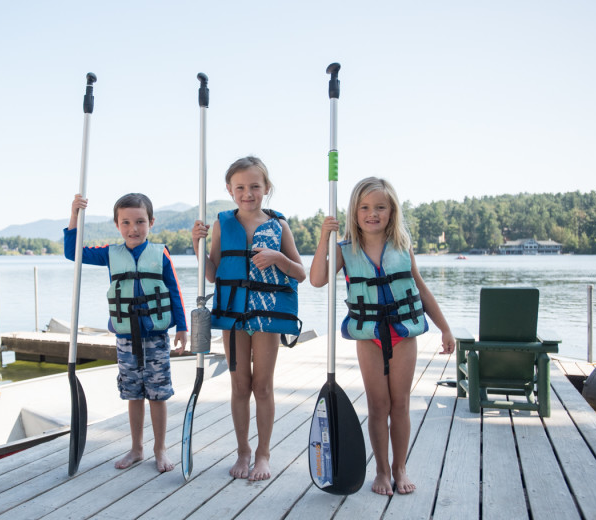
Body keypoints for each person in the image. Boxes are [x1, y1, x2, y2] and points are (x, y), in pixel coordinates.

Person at [309, 177, 455, 496]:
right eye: (364, 207)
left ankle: (400, 467)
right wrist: (324, 238)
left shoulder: (403, 247)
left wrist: (444, 327)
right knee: (378, 405)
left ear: (392, 212)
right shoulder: (344, 250)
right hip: (368, 336)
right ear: (354, 212)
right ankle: (382, 470)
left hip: (403, 333)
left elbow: (420, 288)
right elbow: (317, 279)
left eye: (380, 207)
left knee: (399, 403)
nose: (372, 213)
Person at [192, 156, 306, 481]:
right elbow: (213, 275)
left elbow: (300, 273)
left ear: (266, 188)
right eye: (240, 187)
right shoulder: (221, 224)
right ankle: (243, 450)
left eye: (255, 186)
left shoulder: (279, 225)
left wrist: (279, 257)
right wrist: (197, 246)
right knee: (240, 386)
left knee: (263, 387)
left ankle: (263, 454)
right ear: (229, 189)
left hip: (266, 317)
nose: (248, 193)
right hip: (233, 317)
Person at [65, 192, 188, 473]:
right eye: (126, 222)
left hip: (155, 336)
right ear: (117, 225)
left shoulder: (161, 254)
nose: (134, 228)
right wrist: (74, 214)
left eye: (140, 222)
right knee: (133, 393)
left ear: (151, 222)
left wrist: (182, 326)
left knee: (157, 394)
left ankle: (160, 449)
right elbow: (72, 252)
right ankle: (136, 448)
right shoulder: (110, 254)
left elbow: (174, 292)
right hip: (125, 337)